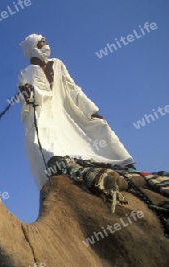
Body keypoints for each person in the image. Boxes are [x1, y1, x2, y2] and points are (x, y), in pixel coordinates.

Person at [17, 33, 134, 189]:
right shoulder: (25, 73)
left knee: (99, 126)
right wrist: (27, 94)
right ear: (33, 48)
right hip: (42, 117)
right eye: (41, 44)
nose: (45, 46)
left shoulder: (57, 64)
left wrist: (91, 110)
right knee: (47, 148)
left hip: (66, 112)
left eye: (45, 42)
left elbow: (74, 90)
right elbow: (23, 98)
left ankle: (126, 169)